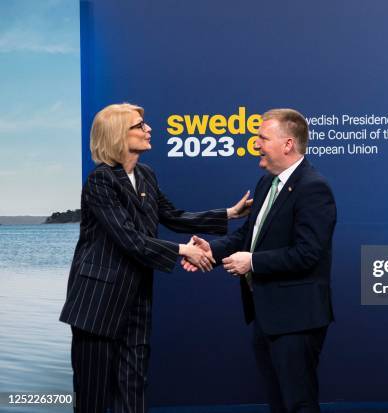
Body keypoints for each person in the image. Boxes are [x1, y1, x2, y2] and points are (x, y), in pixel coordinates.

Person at [59, 103, 251, 413]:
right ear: (119, 134)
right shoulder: (101, 181)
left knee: (134, 387)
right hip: (97, 303)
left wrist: (228, 213)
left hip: (137, 298)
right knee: (93, 395)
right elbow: (129, 239)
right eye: (140, 125)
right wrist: (182, 250)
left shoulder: (146, 174)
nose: (149, 129)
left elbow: (173, 216)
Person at [185, 108, 337, 413]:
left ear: (288, 144)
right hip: (267, 318)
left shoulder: (313, 188)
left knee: (299, 404)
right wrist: (211, 252)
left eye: (262, 138)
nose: (255, 143)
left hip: (296, 320)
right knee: (279, 404)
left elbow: (308, 254)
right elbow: (248, 235)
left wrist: (252, 262)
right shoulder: (266, 183)